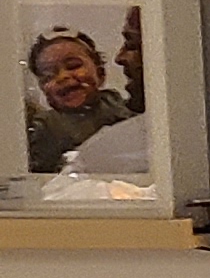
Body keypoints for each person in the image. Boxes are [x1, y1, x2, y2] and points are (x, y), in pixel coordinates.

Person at [26, 26, 136, 173]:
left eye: (73, 66)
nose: (63, 77)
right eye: (48, 75)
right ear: (43, 90)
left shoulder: (121, 109)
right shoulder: (45, 128)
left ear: (100, 73)